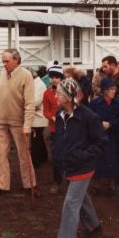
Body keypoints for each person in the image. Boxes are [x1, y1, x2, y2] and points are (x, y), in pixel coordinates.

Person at [51, 78, 108, 238]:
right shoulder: (60, 114)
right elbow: (59, 139)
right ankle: (93, 225)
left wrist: (84, 155)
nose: (55, 95)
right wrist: (58, 157)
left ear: (69, 97)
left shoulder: (88, 117)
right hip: (69, 165)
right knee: (80, 196)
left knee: (70, 203)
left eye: (59, 93)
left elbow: (101, 142)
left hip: (83, 166)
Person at [0, 48, 39, 198]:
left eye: (7, 61)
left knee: (24, 155)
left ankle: (30, 185)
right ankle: (2, 185)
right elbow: (1, 96)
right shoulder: (3, 73)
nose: (4, 64)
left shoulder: (25, 76)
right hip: (1, 121)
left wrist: (27, 125)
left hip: (18, 123)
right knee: (0, 155)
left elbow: (29, 104)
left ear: (16, 60)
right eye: (3, 61)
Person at [90, 78, 119, 196]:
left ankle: (111, 184)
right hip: (99, 135)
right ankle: (96, 184)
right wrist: (100, 124)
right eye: (111, 89)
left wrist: (111, 124)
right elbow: (90, 118)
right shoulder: (95, 103)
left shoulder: (118, 103)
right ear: (104, 90)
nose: (113, 91)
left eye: (114, 89)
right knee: (98, 159)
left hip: (113, 135)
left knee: (112, 159)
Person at [43, 63, 65, 194]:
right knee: (56, 156)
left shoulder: (67, 90)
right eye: (52, 77)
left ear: (61, 78)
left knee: (69, 154)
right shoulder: (47, 93)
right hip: (54, 129)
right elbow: (45, 110)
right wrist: (52, 117)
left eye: (57, 77)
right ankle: (57, 181)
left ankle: (71, 180)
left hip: (68, 128)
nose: (54, 79)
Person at [30, 68, 49, 168]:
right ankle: (43, 156)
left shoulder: (39, 85)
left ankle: (36, 161)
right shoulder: (36, 84)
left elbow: (36, 101)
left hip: (38, 116)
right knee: (38, 138)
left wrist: (25, 102)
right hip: (37, 116)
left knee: (35, 139)